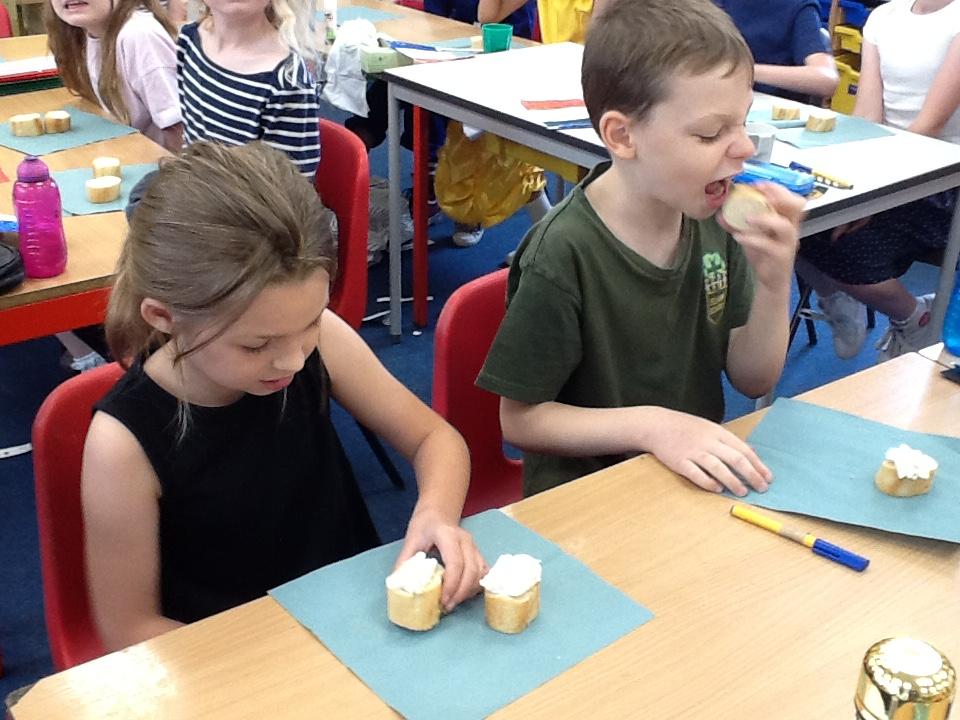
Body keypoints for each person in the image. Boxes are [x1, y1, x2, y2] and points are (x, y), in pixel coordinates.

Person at [82, 141, 485, 651]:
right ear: (163, 317)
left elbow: (434, 439)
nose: (294, 360)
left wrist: (436, 515)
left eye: (311, 321)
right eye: (256, 345)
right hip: (234, 656)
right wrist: (288, 661)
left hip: (355, 621)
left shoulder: (318, 340)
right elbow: (129, 630)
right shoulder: (122, 445)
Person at [476, 0, 805, 497]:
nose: (744, 148)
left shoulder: (714, 220)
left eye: (743, 123)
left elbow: (753, 379)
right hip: (585, 498)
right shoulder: (563, 253)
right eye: (711, 133)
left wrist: (774, 282)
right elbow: (521, 420)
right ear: (623, 135)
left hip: (684, 480)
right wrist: (652, 427)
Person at [797, 0, 960, 361]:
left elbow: (930, 125)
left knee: (847, 243)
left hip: (943, 178)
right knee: (795, 213)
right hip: (890, 166)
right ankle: (858, 301)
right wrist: (856, 185)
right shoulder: (884, 17)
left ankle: (913, 317)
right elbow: (868, 117)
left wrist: (871, 195)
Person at [345, 0, 540, 248]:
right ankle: (358, 167)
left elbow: (491, 19)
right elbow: (434, 16)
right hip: (449, 43)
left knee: (451, 106)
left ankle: (463, 201)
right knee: (391, 85)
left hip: (500, 53)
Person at [176, 0, 321, 177]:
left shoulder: (288, 81)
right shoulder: (189, 39)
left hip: (244, 194)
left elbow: (291, 187)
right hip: (192, 182)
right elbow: (189, 139)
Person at [45, 0, 183, 152]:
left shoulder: (139, 34)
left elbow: (176, 124)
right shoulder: (91, 32)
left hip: (164, 160)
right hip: (132, 151)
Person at [713, 0, 838, 101]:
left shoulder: (798, 7)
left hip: (766, 109)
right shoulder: (712, 5)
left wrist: (747, 71)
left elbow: (826, 78)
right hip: (717, 96)